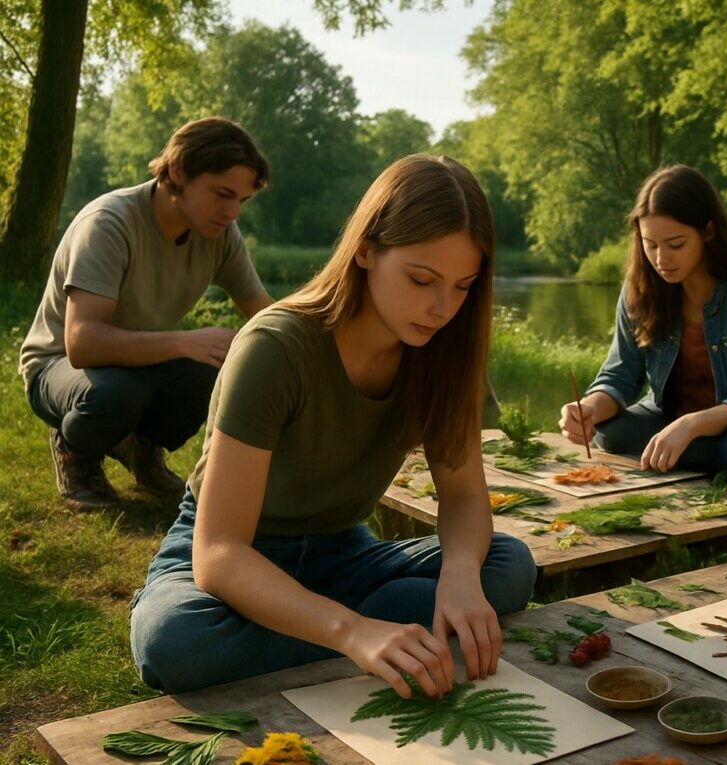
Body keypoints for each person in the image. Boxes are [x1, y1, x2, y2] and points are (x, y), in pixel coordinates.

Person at [128, 154, 537, 695]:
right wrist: (352, 631)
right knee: (175, 640)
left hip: (344, 554)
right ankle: (368, 630)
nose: (443, 307)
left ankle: (337, 627)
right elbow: (219, 552)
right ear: (366, 250)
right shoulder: (274, 348)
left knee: (507, 565)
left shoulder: (447, 351)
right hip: (237, 557)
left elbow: (463, 497)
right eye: (421, 279)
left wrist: (460, 577)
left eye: (463, 286)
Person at [19, 117, 274, 510]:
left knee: (218, 369)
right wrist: (186, 341)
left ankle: (143, 450)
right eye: (222, 193)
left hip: (137, 365)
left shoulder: (220, 235)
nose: (232, 212)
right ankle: (75, 451)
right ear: (177, 172)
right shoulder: (108, 224)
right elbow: (82, 343)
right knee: (119, 392)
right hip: (57, 366)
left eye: (242, 200)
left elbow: (265, 314)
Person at [559, 164, 727, 491]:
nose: (661, 258)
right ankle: (696, 459)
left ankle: (689, 456)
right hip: (671, 421)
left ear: (708, 231)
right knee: (609, 429)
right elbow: (620, 375)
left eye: (676, 244)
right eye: (650, 244)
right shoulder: (640, 286)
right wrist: (589, 411)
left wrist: (691, 426)